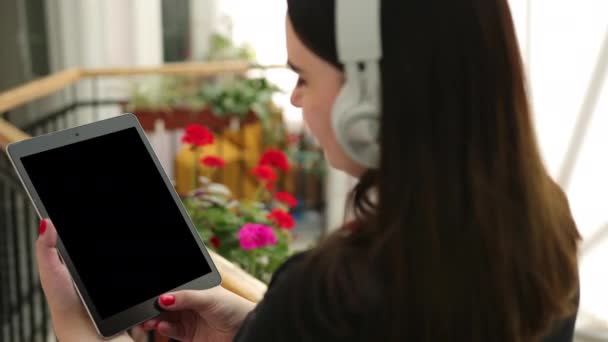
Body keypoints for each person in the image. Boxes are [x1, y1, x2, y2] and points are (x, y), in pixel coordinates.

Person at [37, 0, 581, 341]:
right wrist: (254, 327)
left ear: (369, 99)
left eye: (302, 75)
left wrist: (75, 325)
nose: (296, 100)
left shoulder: (331, 295)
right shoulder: (543, 224)